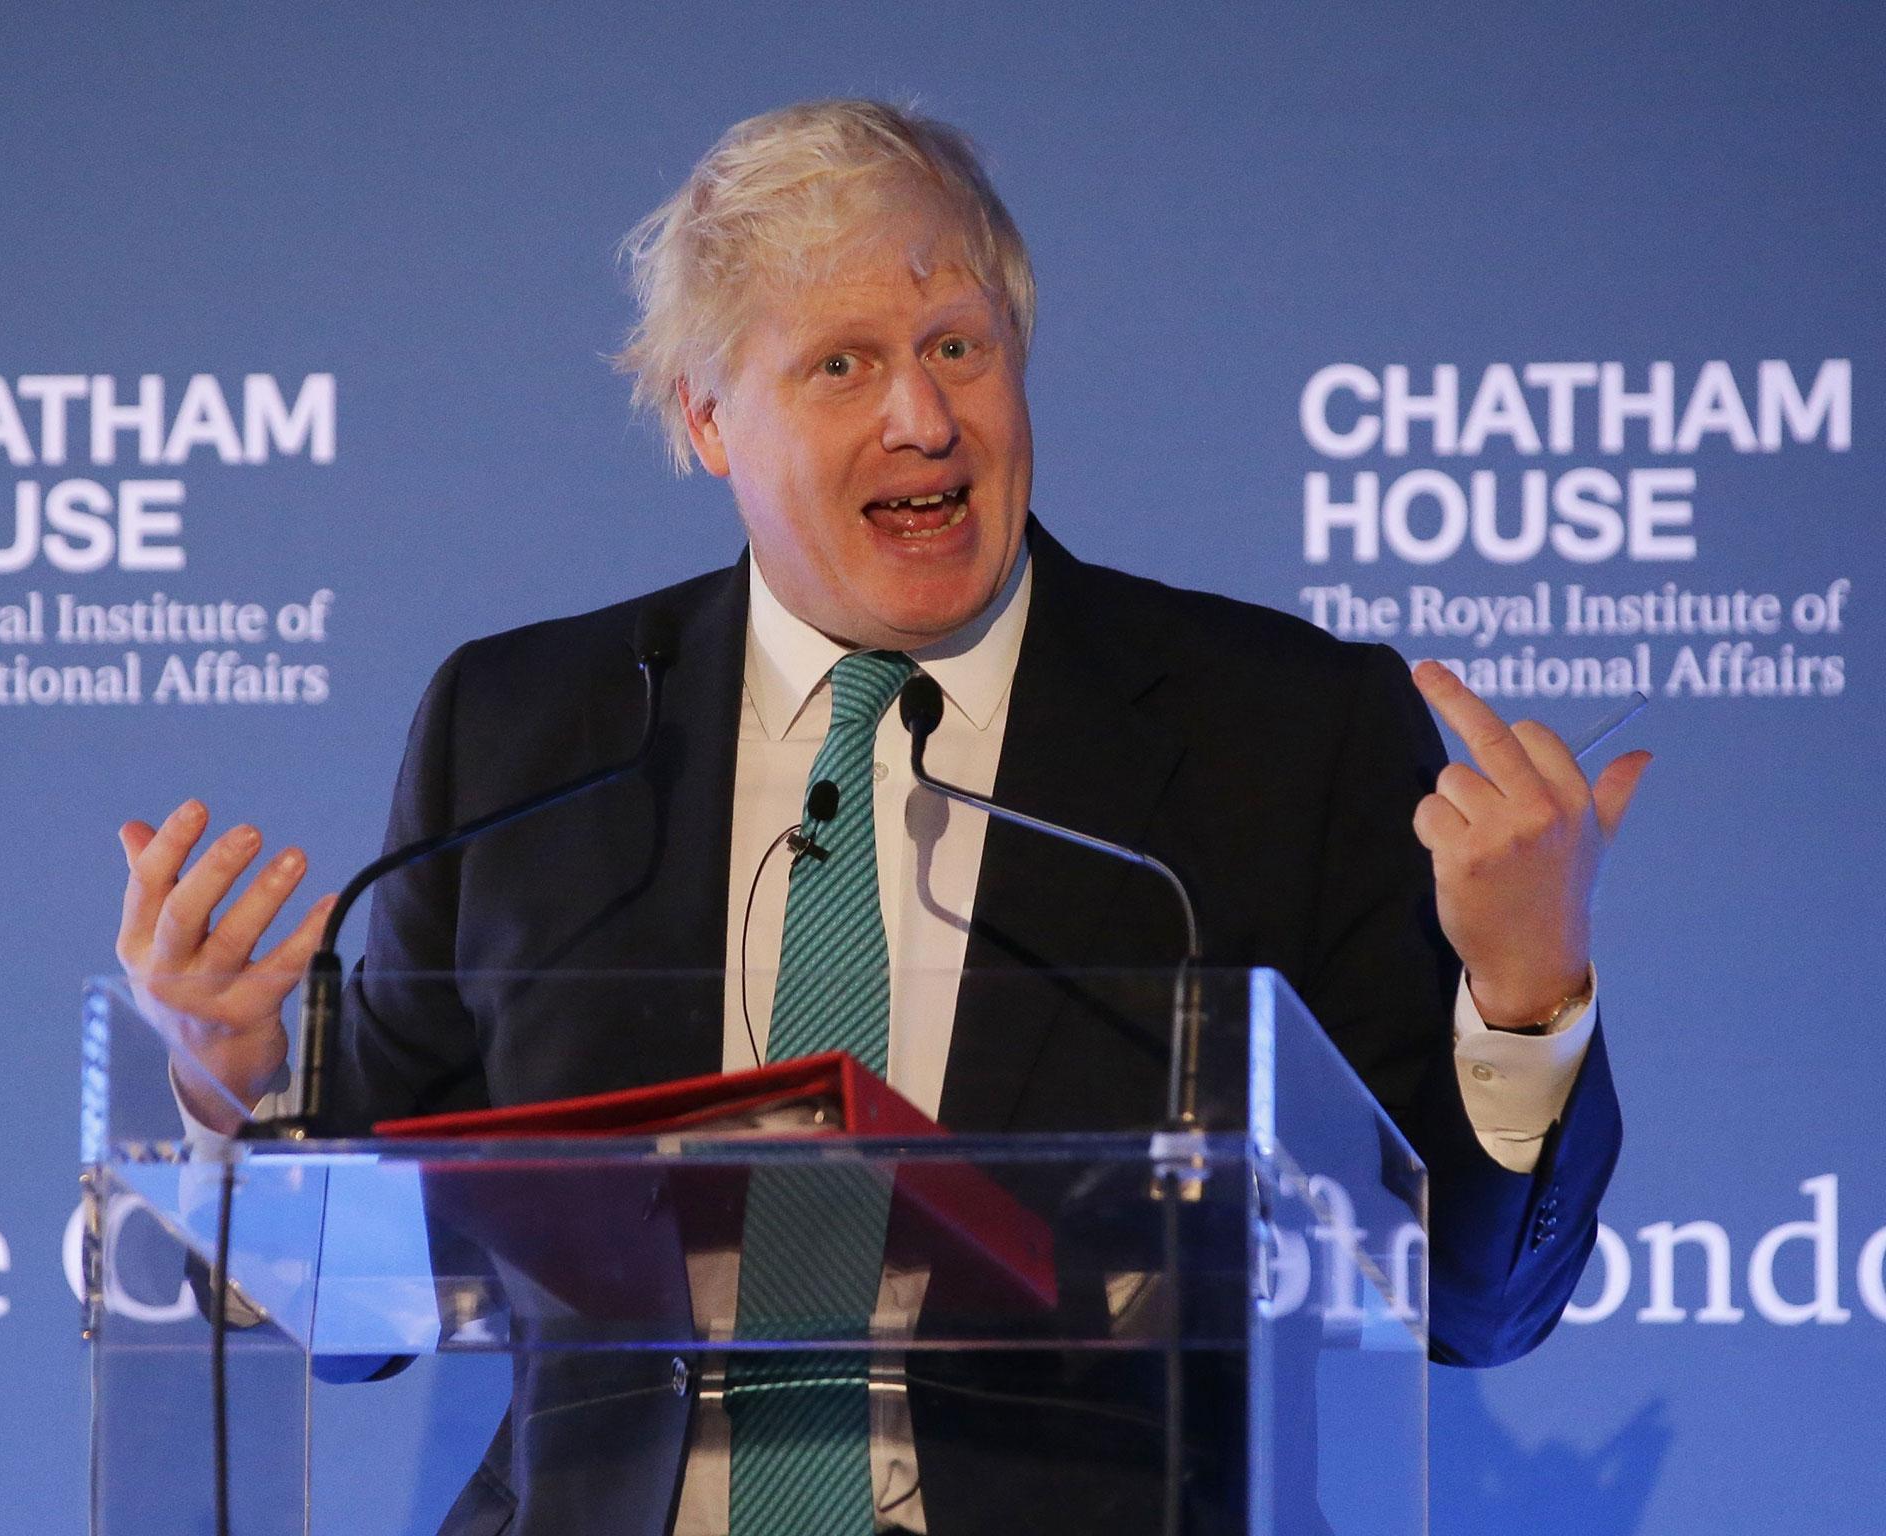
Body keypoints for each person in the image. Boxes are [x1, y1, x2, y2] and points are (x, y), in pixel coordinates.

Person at [116, 100, 1643, 1536]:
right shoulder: (528, 733)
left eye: (958, 346)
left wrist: (1523, 995)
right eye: (840, 364)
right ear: (706, 418)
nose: (924, 416)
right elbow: (365, 1314)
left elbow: (1470, 1305)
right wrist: (239, 1093)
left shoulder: (1275, 729)